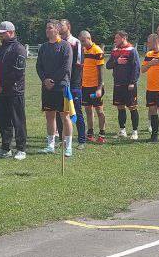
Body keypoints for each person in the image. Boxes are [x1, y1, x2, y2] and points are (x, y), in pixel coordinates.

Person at [0, 21, 28, 160]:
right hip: (1, 91)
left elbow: (18, 72)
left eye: (2, 33)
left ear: (11, 32)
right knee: (2, 120)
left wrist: (3, 85)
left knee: (18, 120)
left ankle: (21, 149)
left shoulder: (19, 49)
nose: (0, 35)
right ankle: (5, 148)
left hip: (15, 90)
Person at [37, 20, 74, 156]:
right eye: (46, 28)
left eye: (50, 28)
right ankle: (50, 145)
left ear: (57, 30)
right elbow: (39, 66)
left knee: (65, 116)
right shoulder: (44, 47)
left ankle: (68, 146)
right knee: (49, 116)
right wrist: (45, 80)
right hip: (47, 87)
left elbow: (66, 67)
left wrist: (53, 80)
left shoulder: (65, 46)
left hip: (61, 87)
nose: (47, 30)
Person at [107, 30, 141, 140]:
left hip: (129, 85)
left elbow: (136, 68)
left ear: (124, 38)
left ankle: (135, 132)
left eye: (117, 38)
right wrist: (117, 61)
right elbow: (108, 65)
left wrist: (132, 82)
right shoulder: (115, 51)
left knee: (132, 107)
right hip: (118, 84)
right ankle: (122, 130)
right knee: (120, 107)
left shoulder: (132, 50)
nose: (115, 40)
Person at [59, 19, 86, 148]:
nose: (59, 27)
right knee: (61, 112)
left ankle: (81, 140)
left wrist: (72, 82)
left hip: (73, 83)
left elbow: (79, 64)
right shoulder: (58, 42)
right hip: (61, 82)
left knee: (76, 111)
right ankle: (63, 140)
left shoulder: (76, 42)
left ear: (68, 26)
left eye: (61, 25)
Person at [79, 30, 108, 143]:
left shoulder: (97, 51)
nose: (82, 43)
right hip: (85, 86)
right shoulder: (83, 50)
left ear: (89, 38)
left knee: (99, 110)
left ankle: (102, 134)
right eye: (80, 41)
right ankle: (90, 133)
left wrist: (99, 88)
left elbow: (101, 71)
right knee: (88, 110)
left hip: (95, 86)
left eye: (83, 41)